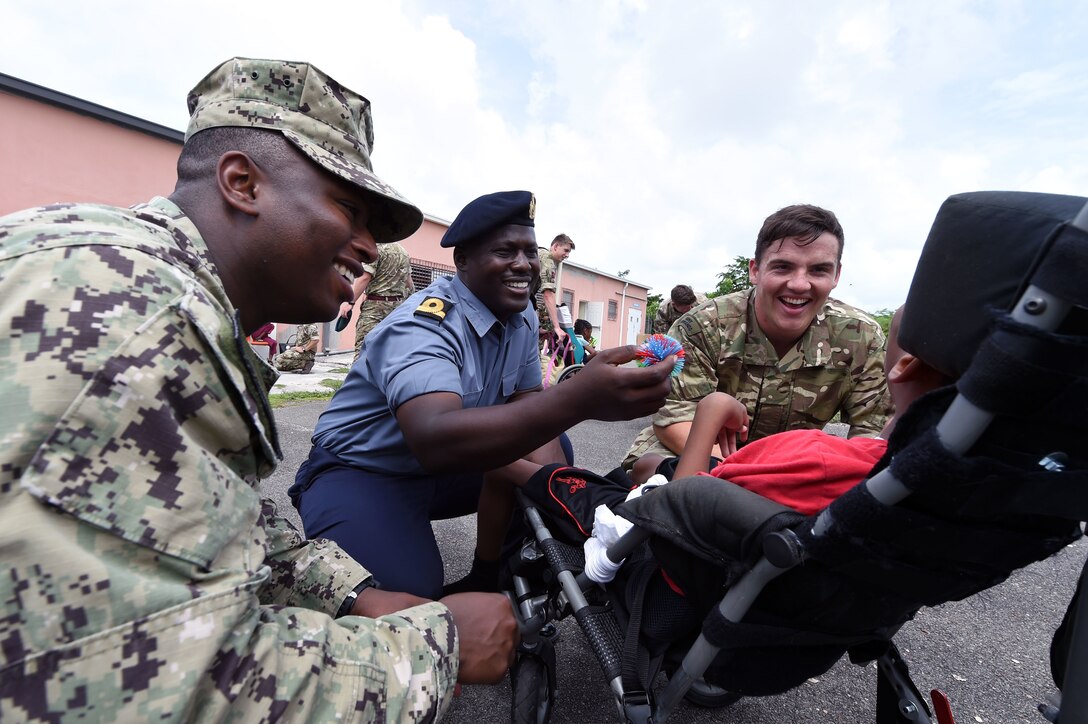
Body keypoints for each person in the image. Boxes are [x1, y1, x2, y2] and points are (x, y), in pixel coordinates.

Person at [0, 57, 517, 722]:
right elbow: (133, 685)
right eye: (348, 209)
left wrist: (346, 596)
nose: (367, 247)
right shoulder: (135, 315)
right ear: (242, 183)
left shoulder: (127, 270)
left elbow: (208, 521)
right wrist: (436, 648)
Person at [289, 191, 675, 600]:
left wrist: (566, 495)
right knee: (410, 599)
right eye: (505, 251)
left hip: (441, 472)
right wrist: (579, 398)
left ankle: (489, 575)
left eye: (529, 251)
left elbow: (527, 403)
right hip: (362, 471)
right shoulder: (425, 324)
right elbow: (435, 438)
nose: (523, 264)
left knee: (550, 448)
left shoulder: (521, 314)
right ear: (463, 261)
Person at [468, 307, 945, 588]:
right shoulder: (915, 488)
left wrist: (713, 411)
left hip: (680, 543)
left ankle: (491, 458)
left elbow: (692, 503)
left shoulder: (816, 453)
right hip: (769, 543)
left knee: (563, 484)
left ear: (897, 371)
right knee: (651, 463)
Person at [622, 204, 891, 471]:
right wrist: (753, 478)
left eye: (818, 270)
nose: (799, 284)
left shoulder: (860, 337)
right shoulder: (703, 326)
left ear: (836, 275)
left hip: (794, 464)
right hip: (698, 450)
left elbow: (873, 435)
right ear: (755, 270)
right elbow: (675, 418)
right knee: (656, 475)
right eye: (783, 267)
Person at [339, 240, 416, 363]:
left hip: (375, 308)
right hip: (396, 309)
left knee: (364, 349)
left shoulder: (376, 249)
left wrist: (350, 302)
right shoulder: (404, 252)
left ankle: (359, 381)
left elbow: (365, 277)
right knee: (389, 351)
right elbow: (408, 282)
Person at [537, 232, 575, 346]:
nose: (567, 255)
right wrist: (557, 327)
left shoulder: (538, 254)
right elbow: (548, 294)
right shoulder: (548, 260)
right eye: (566, 250)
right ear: (555, 246)